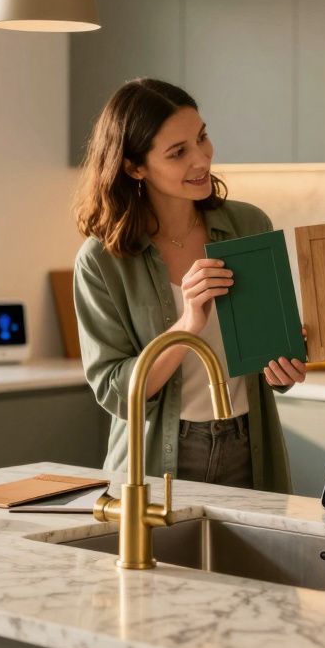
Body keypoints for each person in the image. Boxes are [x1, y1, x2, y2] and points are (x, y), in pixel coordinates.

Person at [72, 78, 305, 492]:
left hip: (250, 445)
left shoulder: (248, 226)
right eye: (178, 153)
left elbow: (270, 364)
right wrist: (187, 324)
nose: (201, 159)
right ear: (134, 166)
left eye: (202, 138)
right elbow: (115, 391)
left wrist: (284, 364)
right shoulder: (102, 261)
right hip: (157, 459)